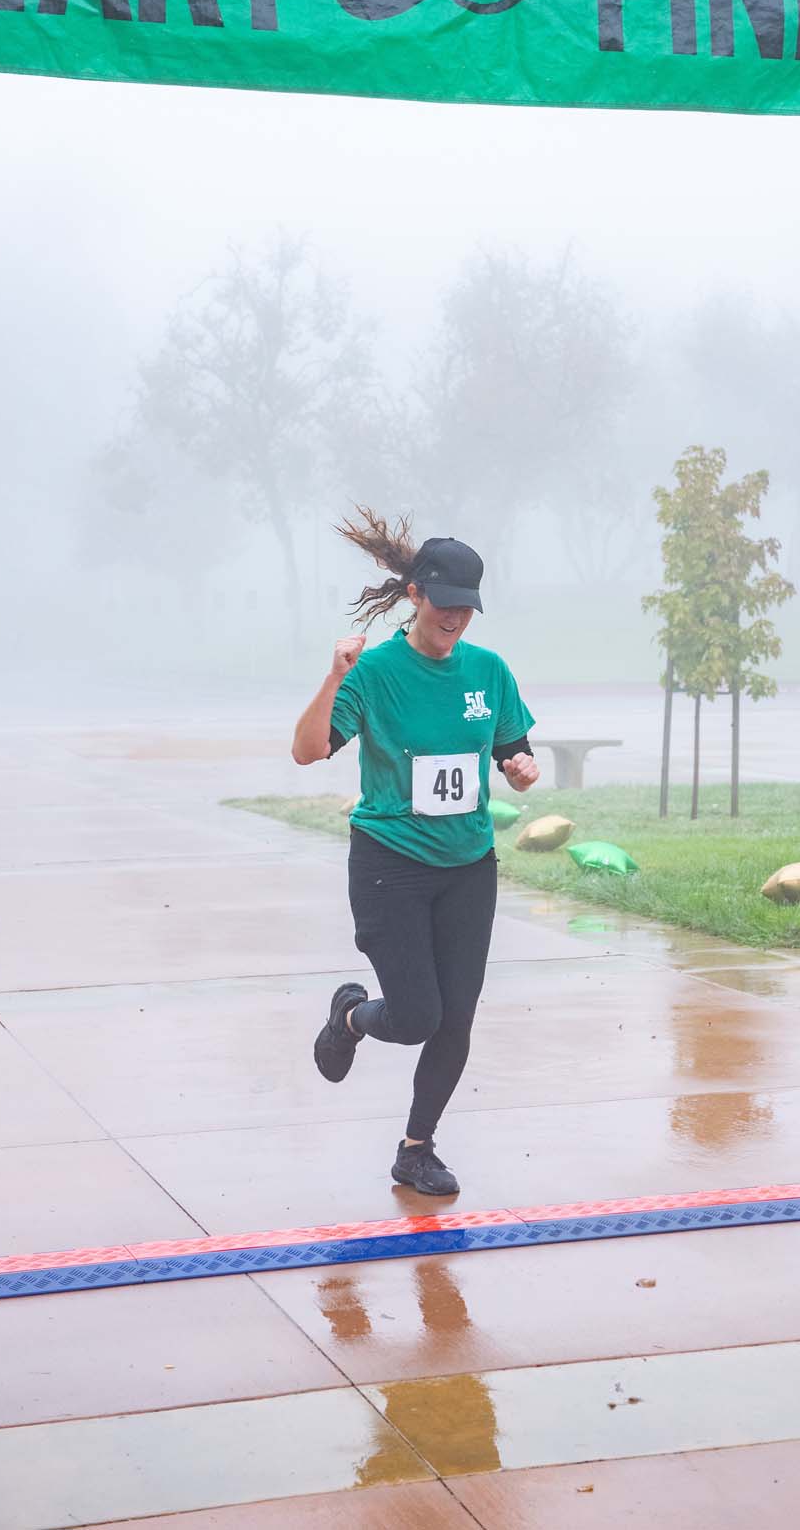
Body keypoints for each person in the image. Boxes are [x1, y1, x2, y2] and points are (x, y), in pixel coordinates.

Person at [291, 509, 539, 1196]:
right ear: (415, 596)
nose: (456, 618)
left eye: (468, 607)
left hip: (468, 867)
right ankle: (350, 1017)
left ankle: (416, 1148)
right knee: (415, 1017)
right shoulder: (373, 674)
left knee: (455, 1016)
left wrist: (519, 766)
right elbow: (308, 752)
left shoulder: (488, 672)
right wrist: (334, 677)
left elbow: (510, 747)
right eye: (445, 604)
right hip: (389, 867)